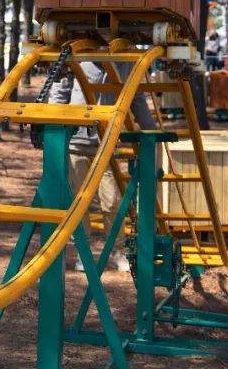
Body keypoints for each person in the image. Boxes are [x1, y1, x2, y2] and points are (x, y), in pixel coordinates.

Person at [48, 60, 158, 272]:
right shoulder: (79, 58)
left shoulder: (125, 61)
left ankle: (118, 251)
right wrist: (55, 124)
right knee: (80, 203)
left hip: (106, 143)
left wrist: (152, 132)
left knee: (112, 201)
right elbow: (60, 89)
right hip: (76, 141)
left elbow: (135, 97)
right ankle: (83, 252)